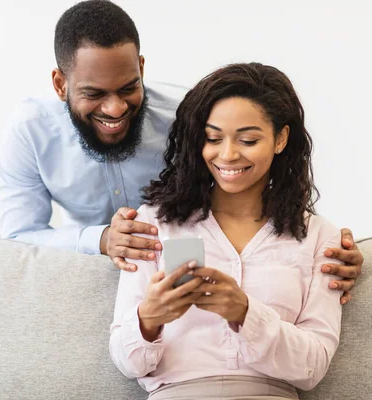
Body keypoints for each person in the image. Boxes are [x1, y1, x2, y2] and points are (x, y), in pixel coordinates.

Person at [0, 0, 362, 304]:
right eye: (94, 94)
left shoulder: (189, 117)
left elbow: (248, 183)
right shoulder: (29, 130)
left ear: (141, 68)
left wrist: (321, 249)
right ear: (61, 84)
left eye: (128, 88)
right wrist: (102, 239)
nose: (115, 109)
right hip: (85, 268)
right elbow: (18, 238)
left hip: (187, 272)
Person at [110, 62, 344, 399]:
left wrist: (245, 313)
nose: (228, 154)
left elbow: (313, 366)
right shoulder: (153, 225)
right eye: (212, 138)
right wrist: (149, 319)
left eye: (248, 139)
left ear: (281, 138)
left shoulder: (320, 237)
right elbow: (125, 359)